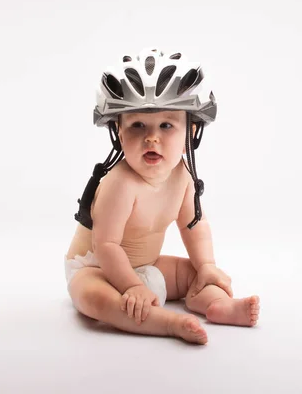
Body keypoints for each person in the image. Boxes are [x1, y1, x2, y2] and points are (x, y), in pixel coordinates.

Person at [64, 48, 260, 345]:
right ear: (118, 131)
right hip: (98, 268)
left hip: (149, 264)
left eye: (166, 125)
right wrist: (131, 286)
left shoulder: (182, 176)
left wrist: (206, 264)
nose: (151, 137)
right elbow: (105, 245)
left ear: (190, 132)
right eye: (137, 125)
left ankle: (216, 305)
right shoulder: (119, 183)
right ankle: (168, 323)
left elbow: (194, 224)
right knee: (95, 299)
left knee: (195, 273)